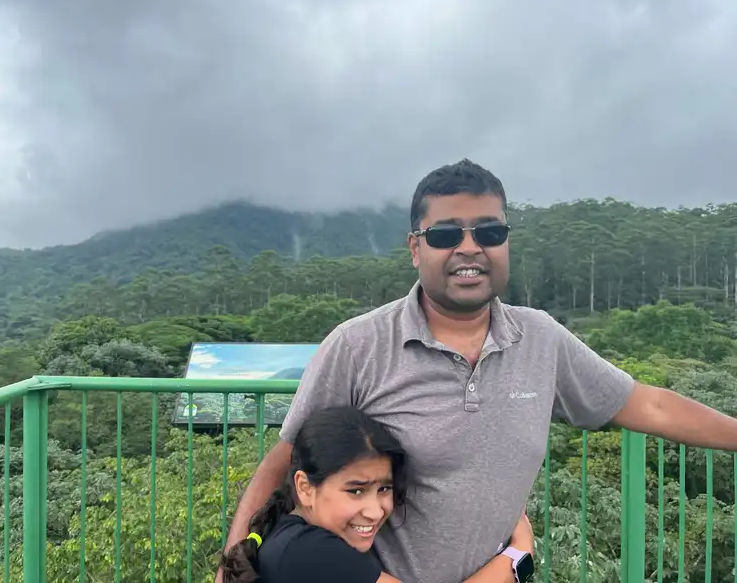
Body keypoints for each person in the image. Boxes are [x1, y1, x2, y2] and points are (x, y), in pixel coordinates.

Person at [217, 158, 737, 583]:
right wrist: (231, 569)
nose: (470, 247)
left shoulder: (541, 338)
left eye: (489, 230)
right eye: (445, 234)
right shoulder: (359, 345)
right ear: (415, 247)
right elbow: (284, 461)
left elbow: (647, 403)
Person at [220, 405, 535, 582]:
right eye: (355, 490)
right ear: (305, 487)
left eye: (383, 488)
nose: (375, 510)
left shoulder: (289, 536)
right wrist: (519, 553)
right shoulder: (310, 553)